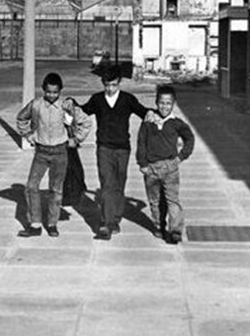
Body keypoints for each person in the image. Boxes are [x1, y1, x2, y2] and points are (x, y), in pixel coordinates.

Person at [73, 64, 151, 240]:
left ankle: (115, 218)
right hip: (104, 148)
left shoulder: (128, 99)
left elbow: (143, 113)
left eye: (114, 85)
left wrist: (159, 117)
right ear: (103, 83)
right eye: (107, 85)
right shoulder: (97, 99)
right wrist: (71, 106)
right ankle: (106, 223)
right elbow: (82, 111)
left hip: (123, 148)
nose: (110, 88)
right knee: (107, 183)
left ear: (120, 83)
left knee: (119, 184)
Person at [17, 72, 91, 238]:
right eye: (48, 92)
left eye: (55, 92)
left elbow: (86, 122)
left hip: (60, 152)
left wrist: (76, 139)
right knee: (31, 186)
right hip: (41, 152)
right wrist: (28, 135)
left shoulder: (66, 106)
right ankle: (35, 223)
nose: (52, 95)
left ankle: (52, 223)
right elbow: (21, 119)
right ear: (43, 90)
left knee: (56, 189)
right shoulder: (36, 105)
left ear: (60, 91)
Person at [136, 84, 195, 244]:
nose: (164, 106)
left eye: (168, 103)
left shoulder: (177, 123)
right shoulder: (148, 121)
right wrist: (142, 163)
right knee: (154, 201)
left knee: (172, 200)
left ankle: (175, 230)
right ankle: (158, 226)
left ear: (173, 104)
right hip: (151, 168)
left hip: (170, 167)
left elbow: (189, 138)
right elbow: (141, 142)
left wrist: (181, 157)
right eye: (161, 103)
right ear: (156, 103)